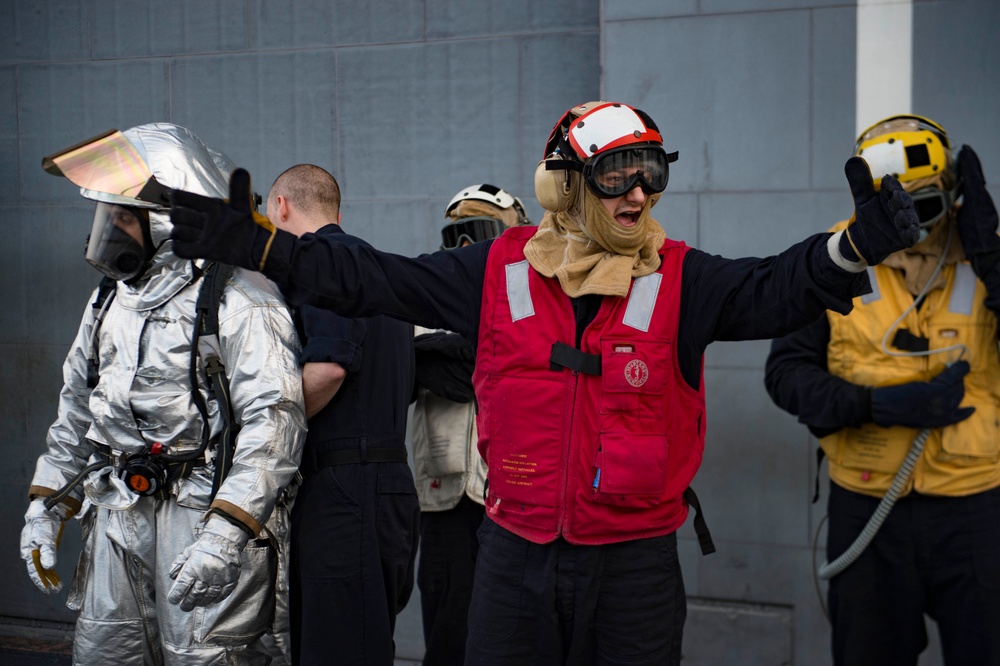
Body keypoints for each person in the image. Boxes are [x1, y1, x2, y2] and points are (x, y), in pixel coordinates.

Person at [168, 101, 921, 665]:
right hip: (513, 558)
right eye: (617, 176)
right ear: (565, 185)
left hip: (635, 567)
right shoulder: (497, 272)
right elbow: (375, 279)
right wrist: (269, 249)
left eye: (651, 176)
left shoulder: (682, 280)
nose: (637, 195)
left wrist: (852, 249)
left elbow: (777, 286)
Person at [19, 123, 306, 664]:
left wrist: (226, 534)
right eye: (106, 217)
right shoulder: (109, 300)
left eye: (122, 217)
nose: (107, 231)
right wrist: (48, 505)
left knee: (206, 656)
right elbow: (77, 408)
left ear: (166, 222)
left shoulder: (242, 295)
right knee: (107, 652)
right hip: (117, 510)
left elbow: (276, 421)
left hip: (204, 516)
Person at [764, 115, 1000, 665]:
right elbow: (785, 374)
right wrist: (874, 406)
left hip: (975, 509)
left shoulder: (988, 257)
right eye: (898, 211)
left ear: (953, 192)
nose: (913, 228)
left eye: (927, 207)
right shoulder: (836, 258)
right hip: (867, 504)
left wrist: (992, 260)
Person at [265, 164, 419, 666]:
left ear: (281, 207)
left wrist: (269, 436)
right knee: (363, 643)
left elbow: (328, 369)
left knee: (336, 650)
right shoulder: (373, 267)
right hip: (382, 484)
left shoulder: (325, 262)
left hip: (344, 491)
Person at [412, 183, 530, 665]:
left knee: (513, 634)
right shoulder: (424, 300)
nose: (465, 250)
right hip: (443, 498)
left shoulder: (529, 302)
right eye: (456, 235)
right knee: (447, 634)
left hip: (514, 495)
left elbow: (474, 369)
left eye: (479, 235)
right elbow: (446, 368)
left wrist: (447, 354)